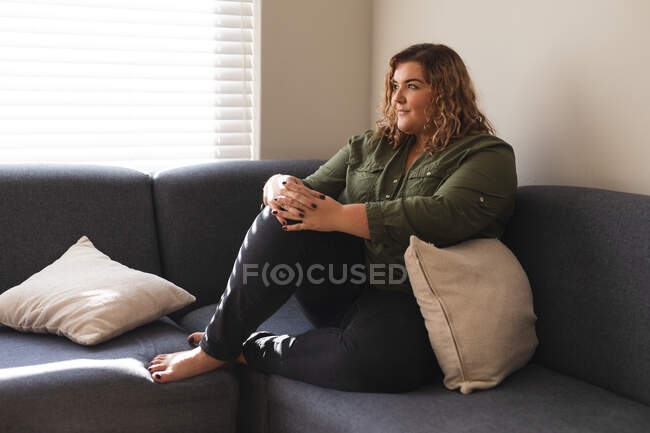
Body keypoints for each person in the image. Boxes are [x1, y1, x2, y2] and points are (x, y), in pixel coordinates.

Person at [148, 43, 517, 393]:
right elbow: (304, 191)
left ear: (446, 92)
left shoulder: (487, 155)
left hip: (411, 299)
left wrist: (340, 216)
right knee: (284, 216)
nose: (397, 97)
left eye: (412, 86)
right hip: (347, 283)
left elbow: (445, 215)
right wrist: (276, 185)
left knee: (385, 363)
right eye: (394, 86)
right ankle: (215, 348)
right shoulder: (371, 145)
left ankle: (249, 349)